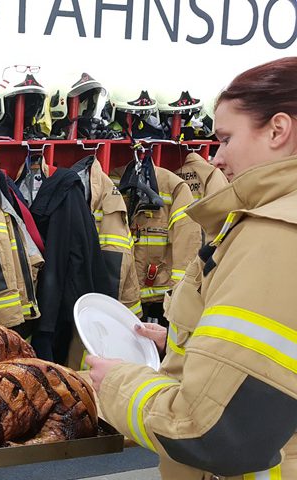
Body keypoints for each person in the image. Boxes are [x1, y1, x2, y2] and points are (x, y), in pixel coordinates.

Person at [86, 56, 297, 479]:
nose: (216, 158)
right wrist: (186, 343)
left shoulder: (275, 234)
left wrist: (117, 383)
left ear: (277, 130)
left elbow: (211, 429)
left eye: (226, 137)